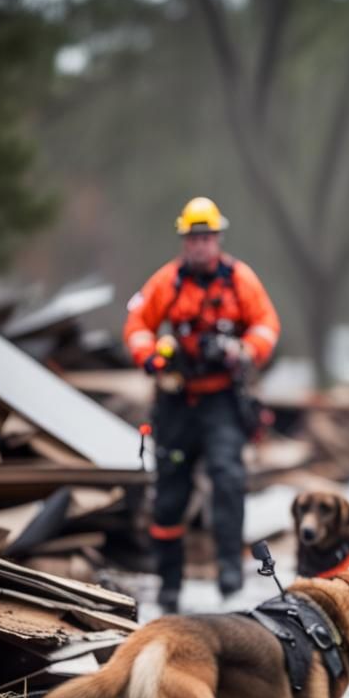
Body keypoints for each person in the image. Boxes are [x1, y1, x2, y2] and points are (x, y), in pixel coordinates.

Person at [123, 197, 281, 612]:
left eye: (207, 237)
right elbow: (137, 323)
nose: (200, 245)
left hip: (223, 402)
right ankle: (169, 583)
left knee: (228, 481)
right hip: (176, 402)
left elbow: (267, 323)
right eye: (193, 238)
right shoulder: (167, 282)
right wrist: (151, 356)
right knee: (170, 494)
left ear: (218, 239)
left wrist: (243, 350)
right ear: (184, 240)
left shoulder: (239, 280)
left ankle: (229, 570)